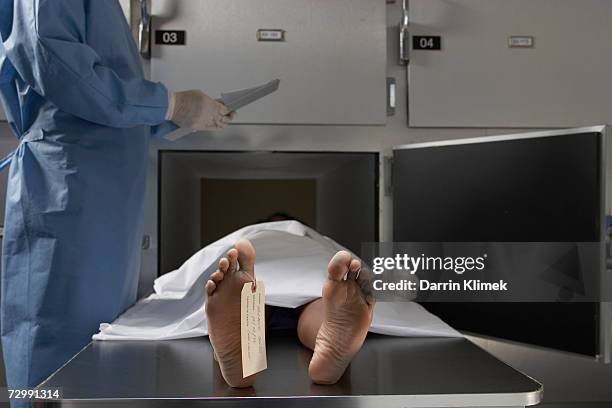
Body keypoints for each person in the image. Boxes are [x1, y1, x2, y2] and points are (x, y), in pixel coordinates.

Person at [0, 1, 233, 405]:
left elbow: (101, 93)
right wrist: (169, 104)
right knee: (52, 342)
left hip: (100, 195)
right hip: (68, 189)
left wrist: (176, 116)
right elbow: (58, 67)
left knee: (97, 342)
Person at [205, 239, 375, 386]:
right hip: (307, 283)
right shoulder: (308, 237)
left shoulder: (304, 236)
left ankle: (244, 347)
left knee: (255, 303)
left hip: (272, 282)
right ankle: (329, 347)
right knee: (315, 302)